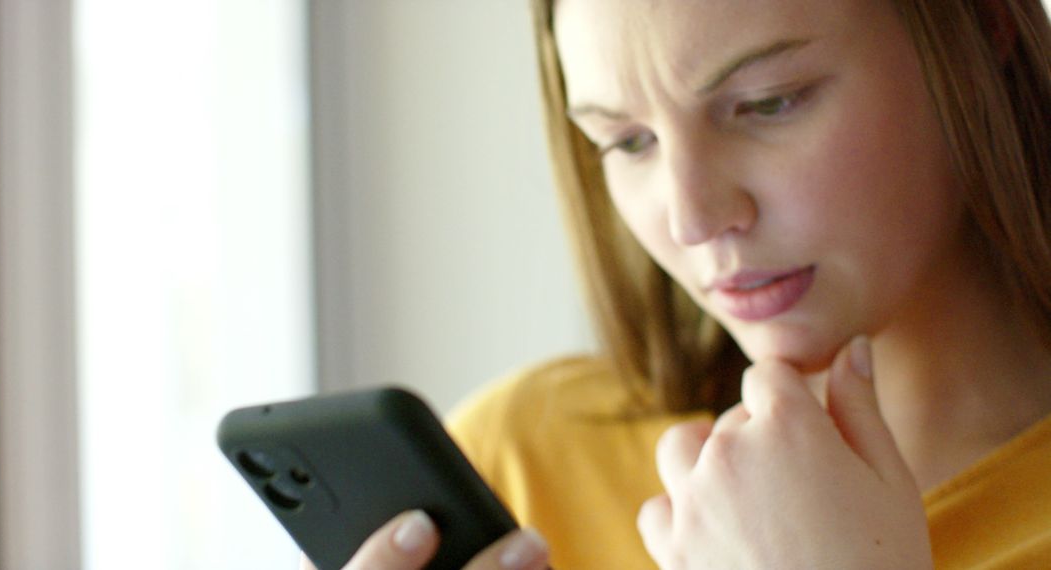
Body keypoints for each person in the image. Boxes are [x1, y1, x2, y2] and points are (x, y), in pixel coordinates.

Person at [319, 0, 1051, 567]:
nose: (692, 218)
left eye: (769, 100)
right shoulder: (521, 464)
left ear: (983, 23)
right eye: (628, 142)